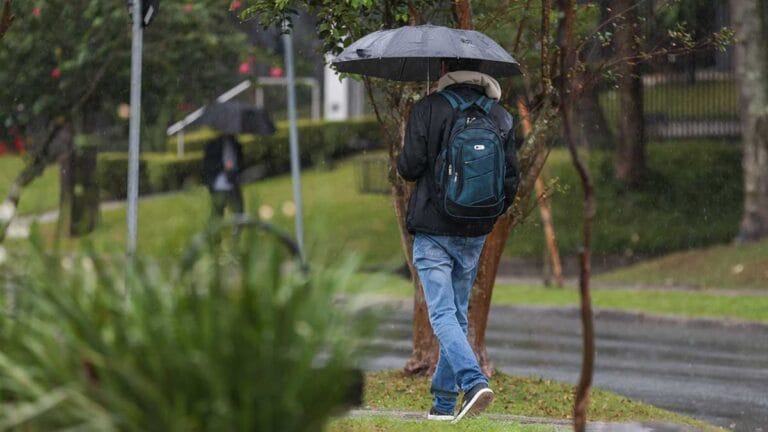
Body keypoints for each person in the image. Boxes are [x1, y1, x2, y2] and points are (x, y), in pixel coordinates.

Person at [397, 59, 519, 423]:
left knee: (442, 314)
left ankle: (472, 380)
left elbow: (408, 167)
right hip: (474, 231)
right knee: (457, 315)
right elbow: (510, 181)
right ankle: (444, 404)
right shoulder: (500, 116)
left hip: (434, 230)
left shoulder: (429, 108)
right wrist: (481, 215)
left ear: (447, 69)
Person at [202, 133, 245, 220]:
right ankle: (215, 228)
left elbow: (239, 161)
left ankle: (238, 227)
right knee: (219, 209)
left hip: (233, 179)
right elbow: (209, 165)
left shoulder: (235, 143)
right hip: (220, 182)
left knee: (238, 208)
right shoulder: (213, 145)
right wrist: (223, 166)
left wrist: (234, 169)